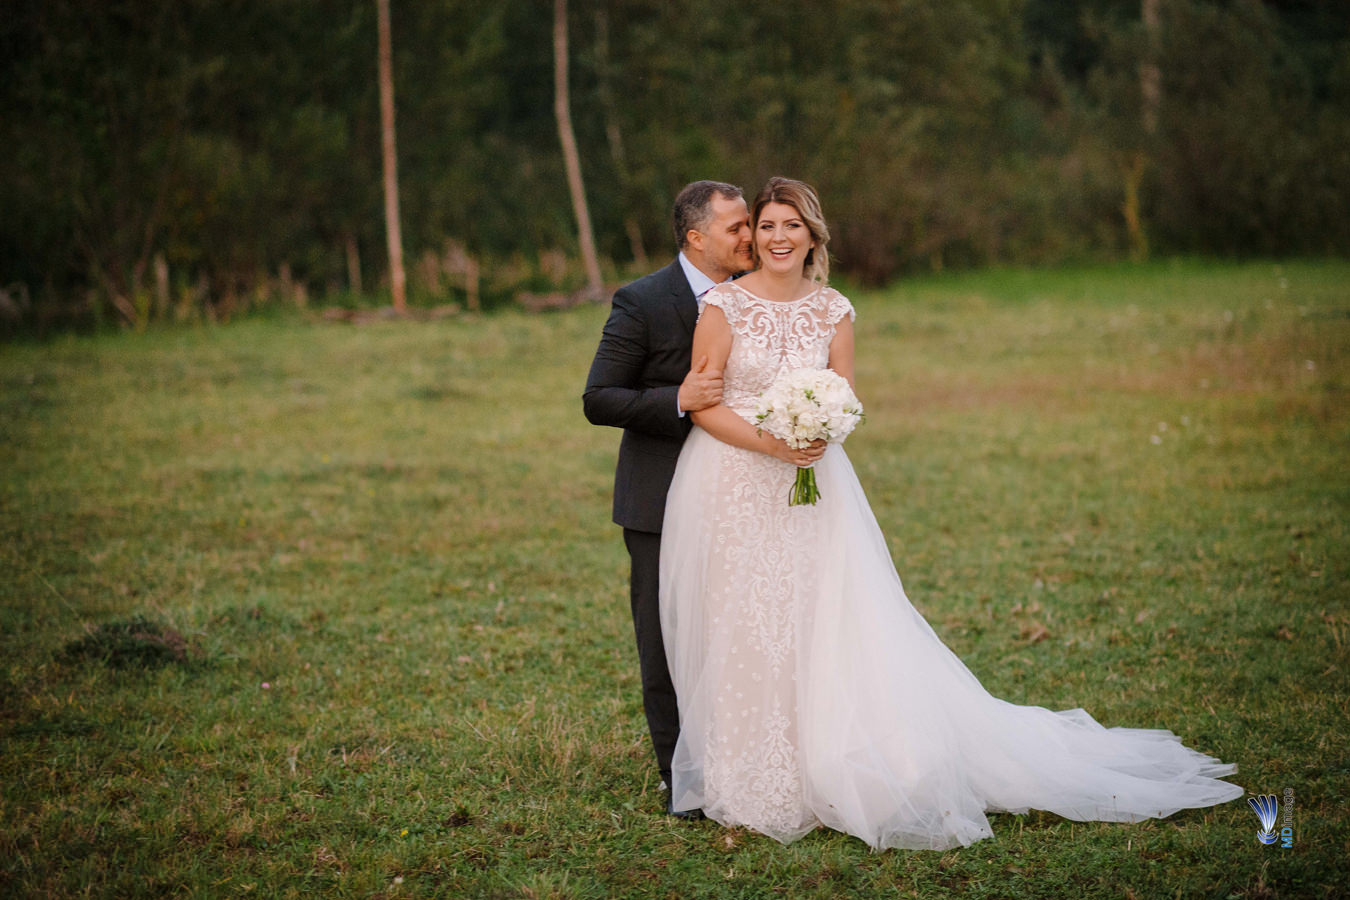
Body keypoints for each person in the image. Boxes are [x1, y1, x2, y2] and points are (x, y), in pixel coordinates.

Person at [658, 176, 1244, 849]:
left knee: (821, 617)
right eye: (766, 226)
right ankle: (753, 776)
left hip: (814, 481)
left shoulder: (834, 310)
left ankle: (825, 762)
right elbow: (704, 405)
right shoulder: (724, 306)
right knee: (746, 619)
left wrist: (818, 430)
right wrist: (772, 442)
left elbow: (843, 398)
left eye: (792, 225)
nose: (778, 237)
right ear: (754, 237)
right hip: (733, 483)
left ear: (813, 235)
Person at [583, 180, 753, 816]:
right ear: (696, 237)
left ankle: (747, 758)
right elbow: (600, 398)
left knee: (742, 630)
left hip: (745, 493)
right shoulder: (644, 301)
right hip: (659, 499)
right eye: (737, 227)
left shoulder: (758, 294)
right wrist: (678, 399)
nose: (750, 236)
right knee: (666, 638)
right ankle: (681, 778)